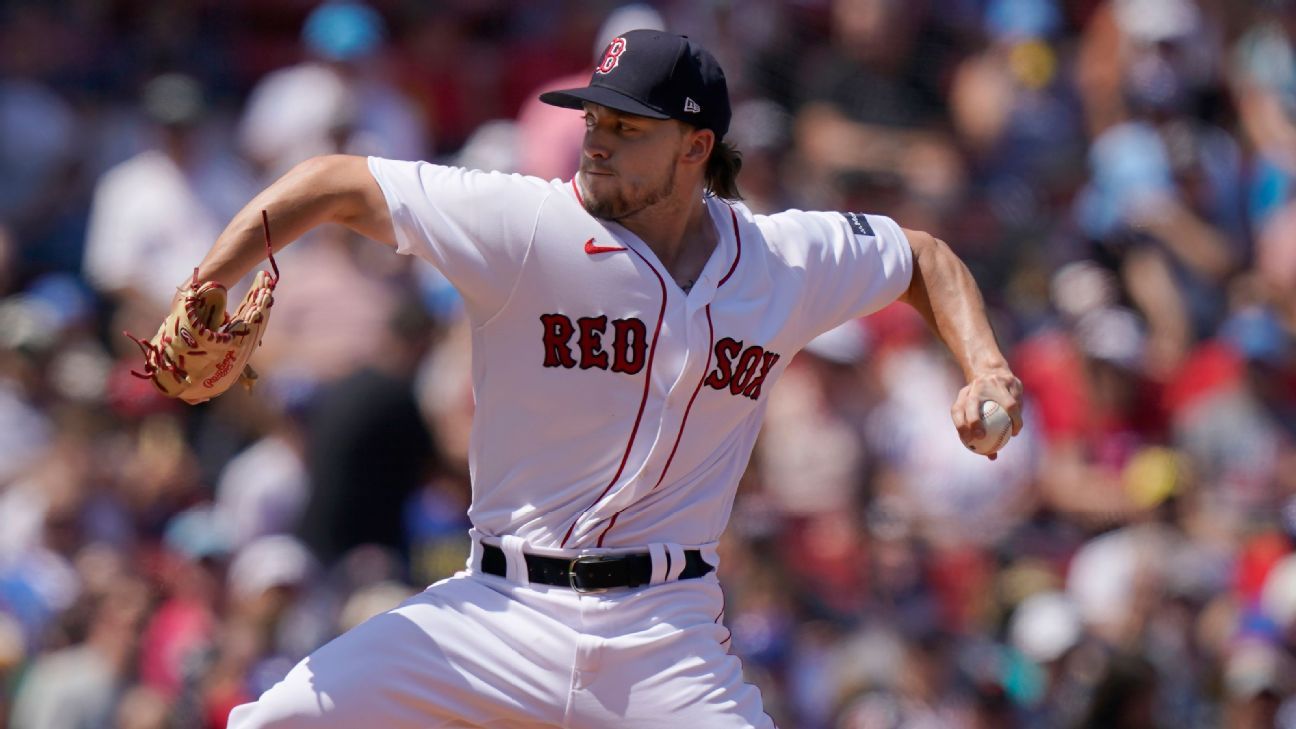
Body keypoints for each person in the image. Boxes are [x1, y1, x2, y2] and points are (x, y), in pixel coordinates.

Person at [181, 29, 1023, 728]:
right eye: (593, 117)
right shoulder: (527, 226)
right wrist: (207, 286)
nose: (597, 139)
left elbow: (921, 256)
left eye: (627, 126)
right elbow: (335, 182)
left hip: (664, 635)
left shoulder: (780, 261)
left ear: (695, 147)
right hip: (497, 613)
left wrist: (986, 365)